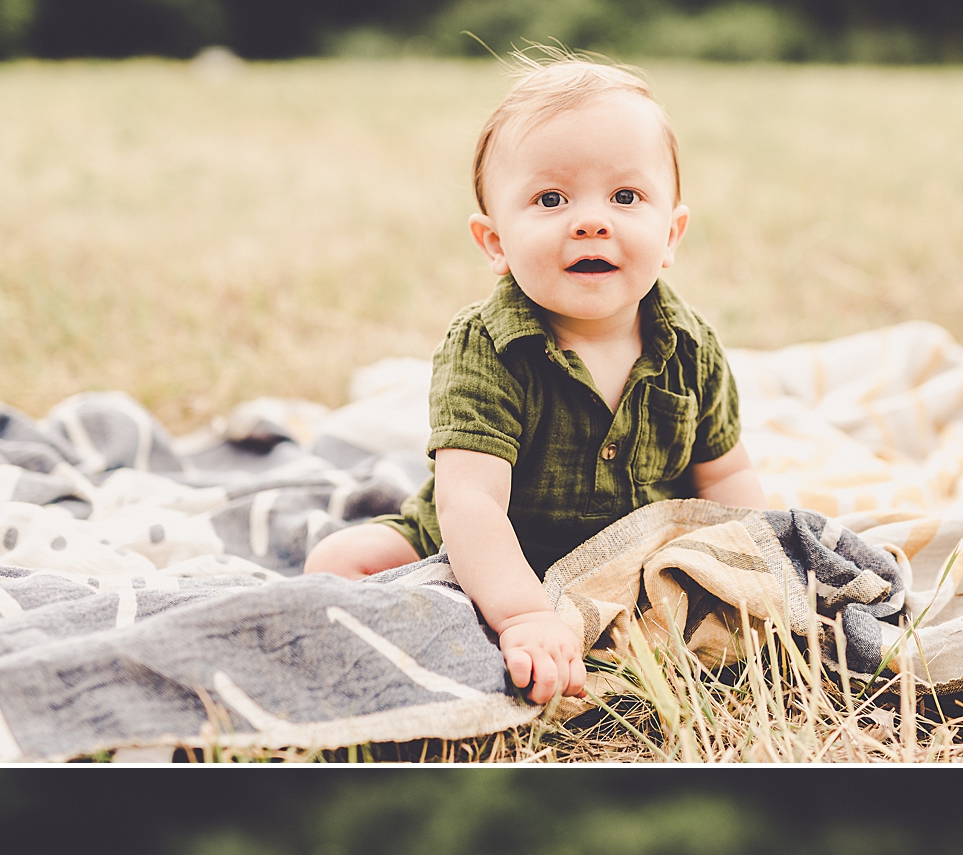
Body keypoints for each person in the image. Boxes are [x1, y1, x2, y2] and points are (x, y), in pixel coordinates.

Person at [304, 56, 769, 705]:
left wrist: (761, 565)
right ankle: (451, 640)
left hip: (631, 557)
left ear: (671, 233)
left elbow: (722, 476)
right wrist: (523, 614)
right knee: (336, 563)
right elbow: (473, 504)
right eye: (551, 199)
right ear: (494, 242)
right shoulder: (487, 347)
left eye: (625, 197)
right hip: (482, 555)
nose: (590, 220)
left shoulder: (689, 347)